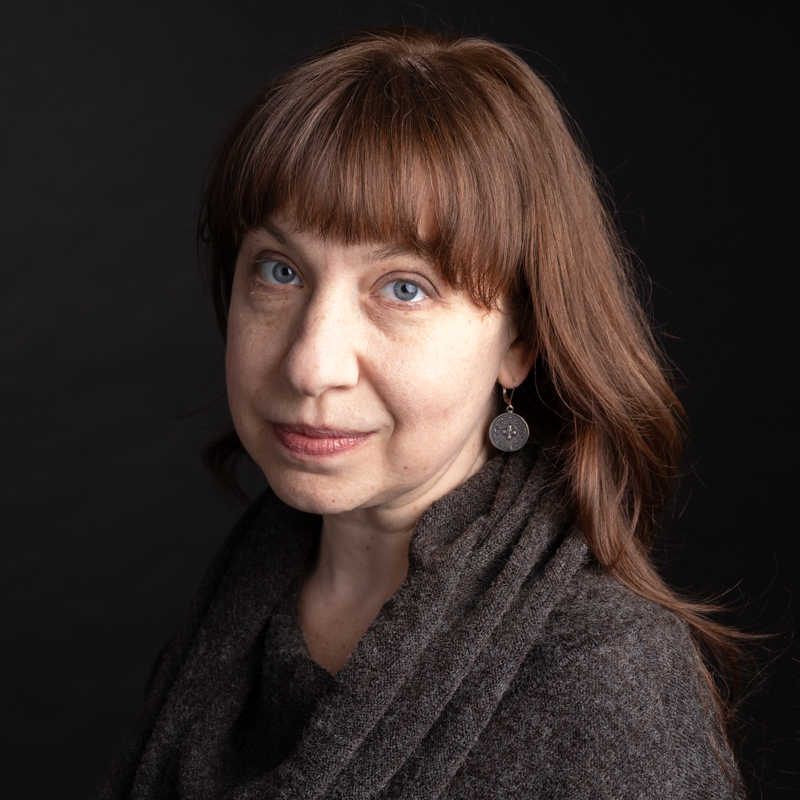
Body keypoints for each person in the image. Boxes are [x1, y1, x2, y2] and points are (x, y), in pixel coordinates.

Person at [98, 26, 746, 799]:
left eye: (404, 287)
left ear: (522, 343)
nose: (311, 365)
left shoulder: (604, 679)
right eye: (279, 271)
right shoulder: (237, 609)